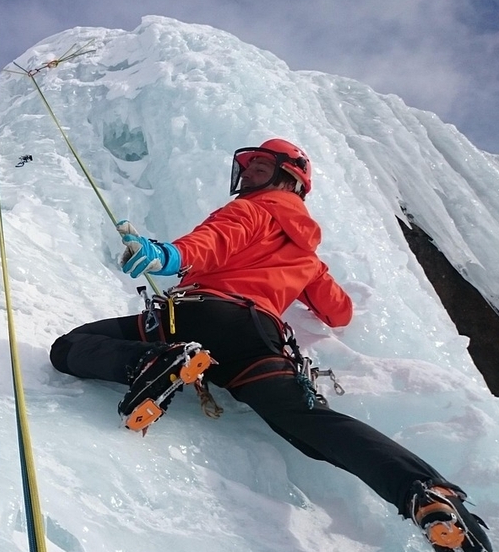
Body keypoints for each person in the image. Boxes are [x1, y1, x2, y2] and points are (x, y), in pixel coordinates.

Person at [50, 138, 493, 552]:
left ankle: (157, 361)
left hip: (195, 314)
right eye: (250, 169)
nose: (249, 177)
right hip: (256, 338)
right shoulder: (307, 255)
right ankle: (424, 491)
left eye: (261, 167)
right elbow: (339, 312)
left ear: (289, 178)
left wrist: (169, 256)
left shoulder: (253, 210)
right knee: (309, 421)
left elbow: (214, 241)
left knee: (70, 346)